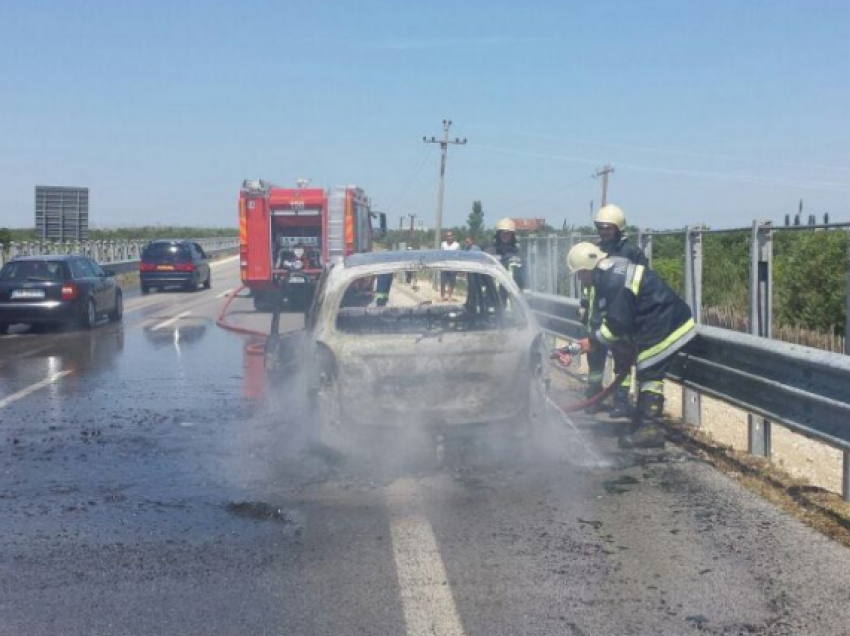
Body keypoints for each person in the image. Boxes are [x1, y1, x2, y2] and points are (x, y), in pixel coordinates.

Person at [566, 241, 696, 448]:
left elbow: (617, 322)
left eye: (580, 275)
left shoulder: (610, 281)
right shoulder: (611, 271)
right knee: (647, 368)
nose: (581, 281)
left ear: (587, 268)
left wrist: (593, 342)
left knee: (649, 370)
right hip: (661, 320)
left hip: (666, 323)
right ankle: (642, 422)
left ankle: (650, 429)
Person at [582, 205, 650, 417]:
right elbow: (586, 280)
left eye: (608, 228)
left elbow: (642, 282)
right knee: (594, 359)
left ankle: (621, 403)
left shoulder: (632, 253)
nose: (604, 232)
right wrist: (584, 304)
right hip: (596, 313)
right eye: (600, 228)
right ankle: (594, 398)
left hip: (621, 316)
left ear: (618, 228)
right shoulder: (594, 251)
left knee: (622, 359)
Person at [486, 218, 525, 289]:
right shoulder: (489, 252)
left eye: (508, 233)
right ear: (498, 234)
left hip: (512, 293)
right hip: (493, 293)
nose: (505, 235)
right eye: (503, 233)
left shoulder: (517, 253)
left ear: (512, 235)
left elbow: (522, 276)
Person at [440, 231, 460, 301]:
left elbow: (458, 256)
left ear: (453, 236)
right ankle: (442, 296)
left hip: (453, 266)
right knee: (443, 282)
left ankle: (449, 296)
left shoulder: (457, 245)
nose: (449, 237)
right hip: (444, 266)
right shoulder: (443, 244)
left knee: (451, 282)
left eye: (450, 236)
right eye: (447, 236)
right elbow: (441, 254)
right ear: (445, 237)